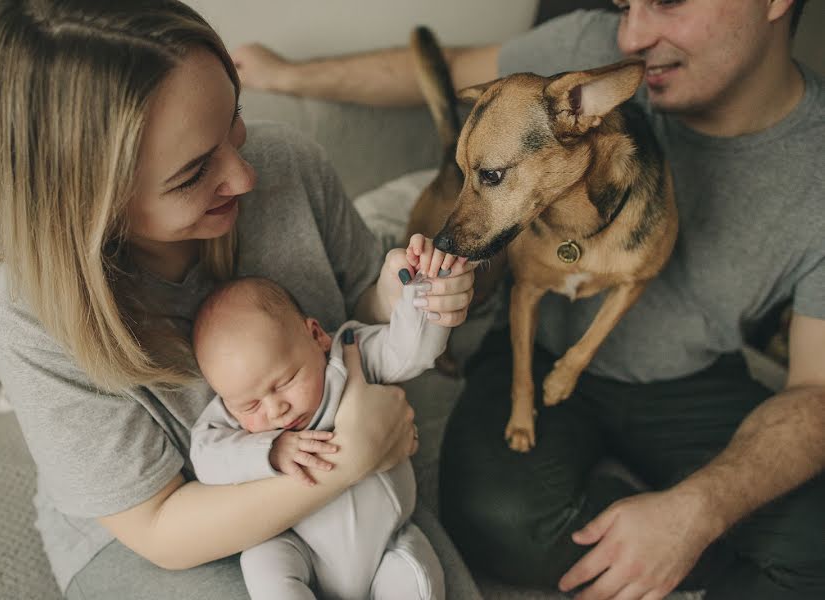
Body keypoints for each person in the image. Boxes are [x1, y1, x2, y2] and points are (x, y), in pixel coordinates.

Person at [232, 1, 825, 598]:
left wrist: (698, 512)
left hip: (694, 382)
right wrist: (286, 76)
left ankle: (674, 547)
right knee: (487, 516)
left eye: (666, 0)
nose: (634, 34)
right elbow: (448, 71)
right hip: (537, 347)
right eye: (625, 3)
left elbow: (818, 390)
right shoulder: (582, 51)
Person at [0, 1, 481, 599]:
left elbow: (360, 309)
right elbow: (160, 528)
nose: (245, 177)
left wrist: (401, 294)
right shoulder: (35, 323)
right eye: (191, 175)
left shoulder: (288, 164)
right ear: (84, 202)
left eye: (233, 116)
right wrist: (352, 459)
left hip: (340, 463)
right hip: (175, 520)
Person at [190, 246, 459, 598]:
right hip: (302, 547)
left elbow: (409, 353)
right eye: (251, 404)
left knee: (417, 576)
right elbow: (205, 457)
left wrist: (424, 294)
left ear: (316, 336)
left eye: (285, 381)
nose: (275, 410)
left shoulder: (349, 355)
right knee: (261, 560)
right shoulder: (232, 417)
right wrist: (267, 451)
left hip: (387, 542)